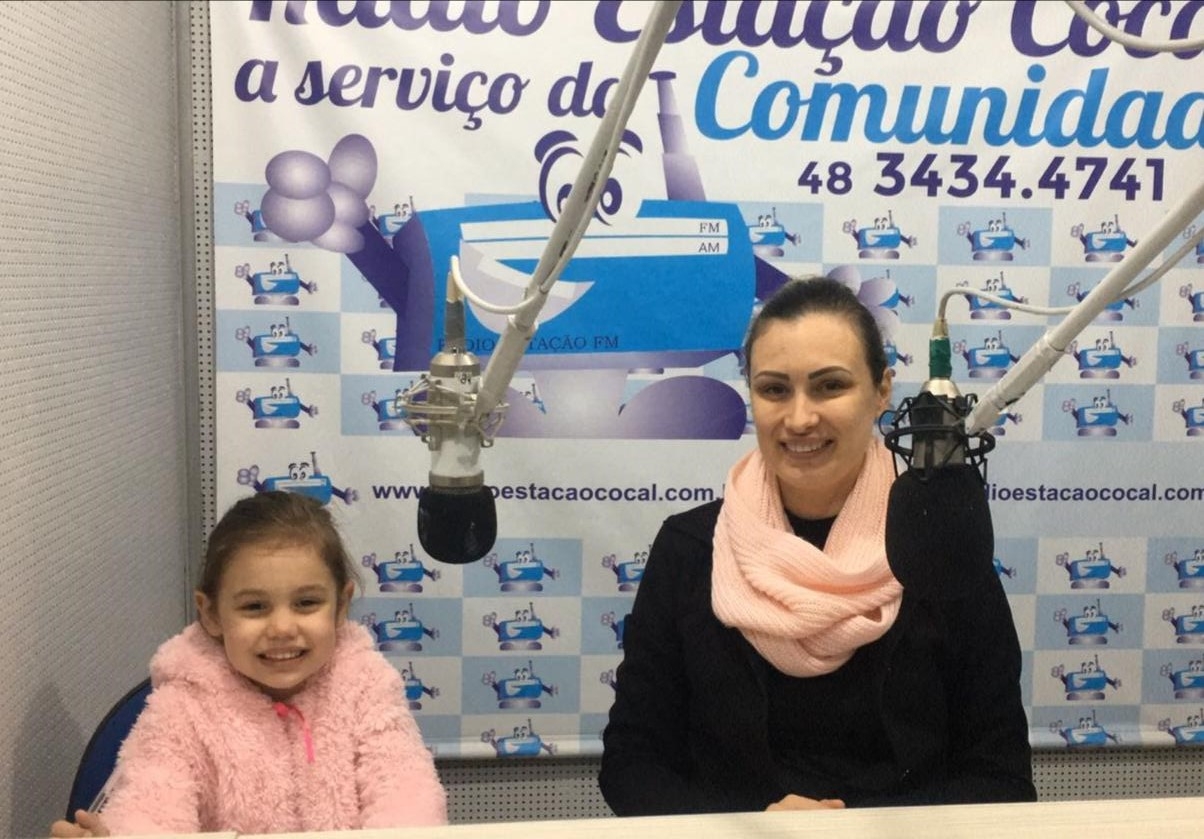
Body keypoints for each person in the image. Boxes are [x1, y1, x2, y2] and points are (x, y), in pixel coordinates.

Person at [599, 277, 1036, 815]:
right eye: (774, 390)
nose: (800, 418)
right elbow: (632, 764)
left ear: (882, 391)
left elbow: (1001, 775)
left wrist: (856, 830)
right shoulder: (690, 550)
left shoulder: (940, 548)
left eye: (830, 386)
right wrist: (754, 825)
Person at [51, 491, 447, 837]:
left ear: (340, 606)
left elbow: (407, 797)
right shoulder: (180, 711)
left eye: (306, 603)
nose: (282, 628)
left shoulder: (368, 689)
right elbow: (150, 807)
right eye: (255, 607)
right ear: (211, 614)